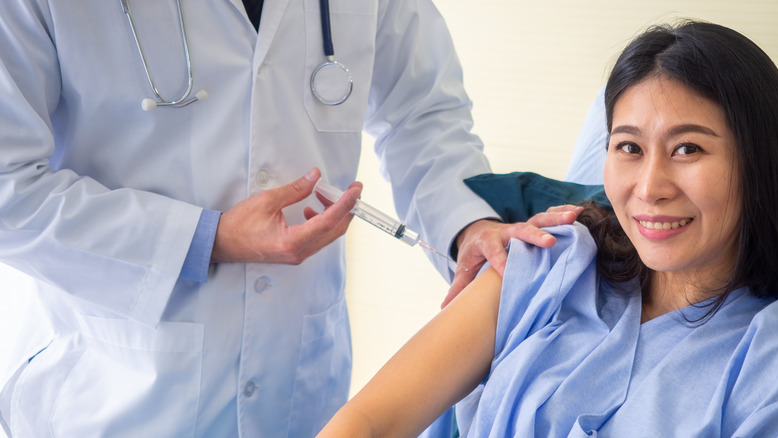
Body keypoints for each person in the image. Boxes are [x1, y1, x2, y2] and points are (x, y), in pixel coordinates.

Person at [0, 0, 584, 436]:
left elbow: (422, 115)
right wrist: (207, 239)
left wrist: (466, 226)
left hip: (299, 379)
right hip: (113, 384)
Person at [318, 20, 778, 436]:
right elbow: (369, 422)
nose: (649, 187)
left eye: (687, 149)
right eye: (628, 147)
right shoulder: (547, 258)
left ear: (758, 160)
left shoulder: (764, 355)